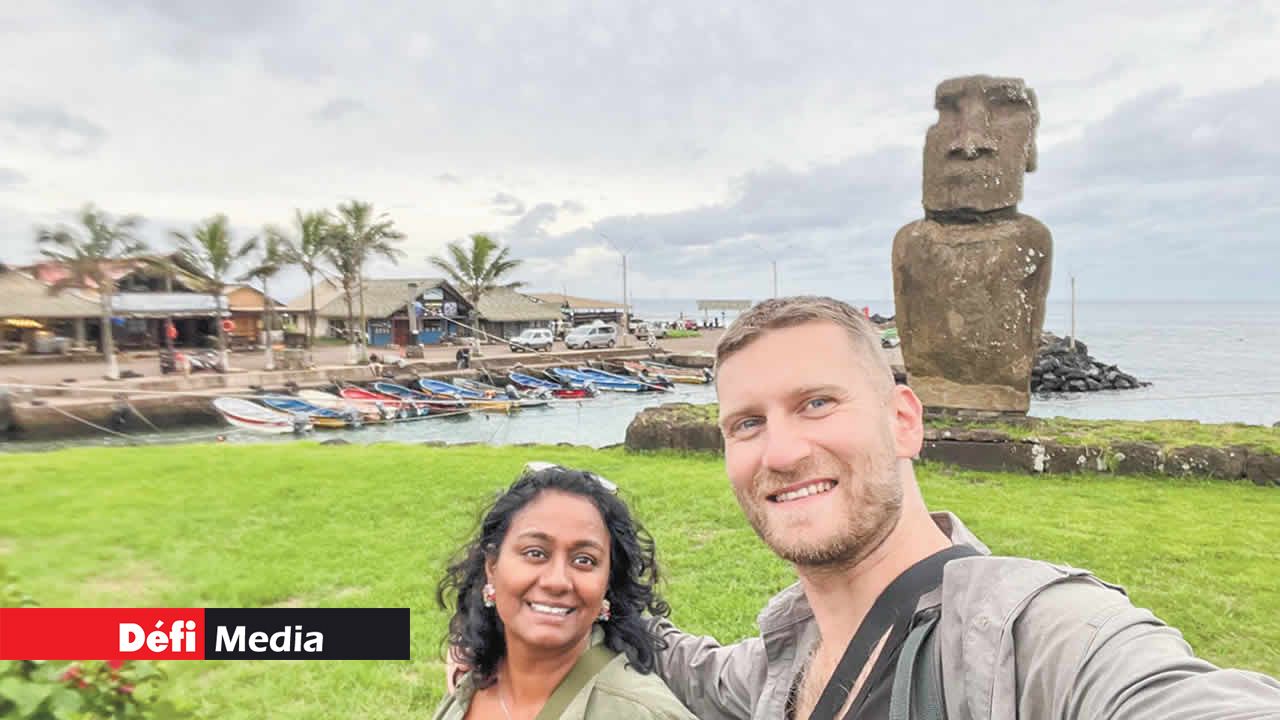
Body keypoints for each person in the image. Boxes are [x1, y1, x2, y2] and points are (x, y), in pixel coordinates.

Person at [648, 296, 1280, 719]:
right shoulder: (782, 657)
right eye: (747, 423)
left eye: (817, 403)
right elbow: (691, 668)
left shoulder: (1031, 637)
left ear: (902, 422)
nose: (780, 453)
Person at [435, 464, 696, 720]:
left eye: (584, 560)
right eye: (535, 553)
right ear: (492, 566)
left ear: (607, 582)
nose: (557, 581)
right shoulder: (467, 686)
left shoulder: (641, 711)